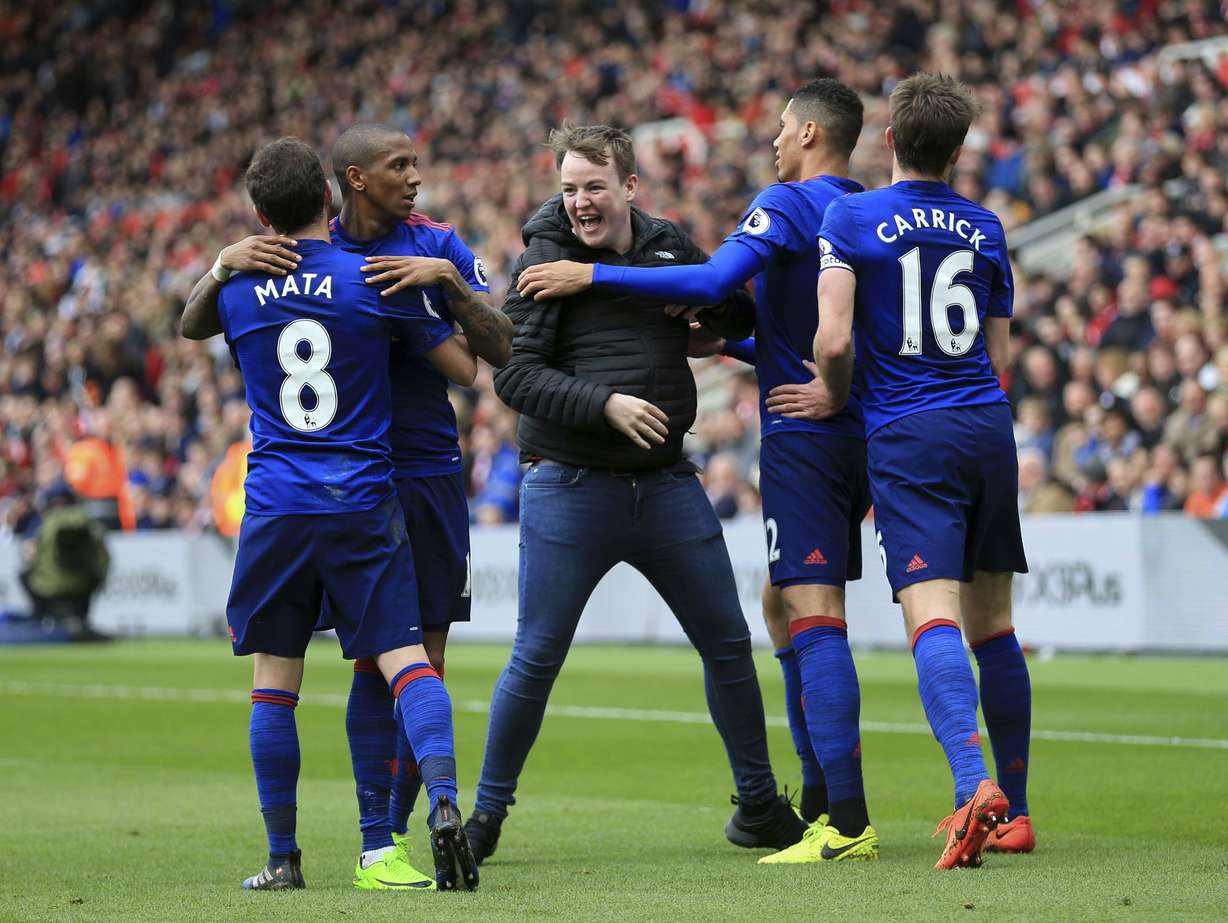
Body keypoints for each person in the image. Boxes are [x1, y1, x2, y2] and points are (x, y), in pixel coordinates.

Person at [516, 80, 877, 863]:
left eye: (783, 127)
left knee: (813, 613)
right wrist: (731, 344)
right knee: (787, 611)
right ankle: (813, 796)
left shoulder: (786, 203)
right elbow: (784, 329)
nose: (775, 140)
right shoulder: (869, 211)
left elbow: (717, 283)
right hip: (873, 427)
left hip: (807, 432)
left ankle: (843, 819)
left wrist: (593, 278)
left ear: (811, 132)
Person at [181, 122, 510, 890]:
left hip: (273, 504)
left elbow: (189, 324)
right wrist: (434, 300)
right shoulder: (374, 280)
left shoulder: (238, 287)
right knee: (408, 661)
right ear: (333, 192)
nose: (415, 174)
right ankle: (422, 819)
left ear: (262, 217)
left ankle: (282, 857)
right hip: (367, 494)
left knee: (274, 681)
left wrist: (223, 261)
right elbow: (467, 364)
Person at [466, 123, 803, 864]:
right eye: (569, 188)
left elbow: (735, 310)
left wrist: (711, 315)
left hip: (665, 483)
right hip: (569, 484)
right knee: (536, 655)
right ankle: (484, 817)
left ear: (629, 187)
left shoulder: (669, 245)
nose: (581, 202)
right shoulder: (544, 259)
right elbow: (513, 377)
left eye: (593, 186)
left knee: (727, 645)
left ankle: (758, 804)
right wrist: (605, 403)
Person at [813, 73, 1034, 869]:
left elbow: (833, 341)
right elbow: (1000, 358)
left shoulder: (852, 215)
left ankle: (974, 786)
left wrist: (835, 398)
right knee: (996, 622)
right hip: (986, 424)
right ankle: (1019, 812)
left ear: (893, 141)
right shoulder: (986, 228)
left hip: (909, 432)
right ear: (958, 147)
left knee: (930, 612)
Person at [19, 482, 112, 642]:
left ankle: (39, 616)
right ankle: (81, 620)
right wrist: (98, 577)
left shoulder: (44, 522)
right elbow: (104, 556)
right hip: (83, 585)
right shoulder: (87, 520)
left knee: (23, 574)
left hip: (48, 585)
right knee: (96, 574)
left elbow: (29, 554)